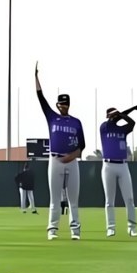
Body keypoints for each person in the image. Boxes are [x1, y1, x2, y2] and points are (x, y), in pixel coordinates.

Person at [35, 63, 86, 240]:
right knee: (54, 198)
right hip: (55, 160)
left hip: (71, 161)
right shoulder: (52, 117)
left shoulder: (76, 122)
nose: (63, 106)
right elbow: (41, 98)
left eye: (65, 104)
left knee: (73, 199)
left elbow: (82, 145)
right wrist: (36, 78)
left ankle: (75, 231)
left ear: (69, 105)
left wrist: (72, 155)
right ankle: (52, 230)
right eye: (61, 103)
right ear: (57, 104)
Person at [100, 105, 137, 237]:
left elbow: (132, 123)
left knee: (129, 198)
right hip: (108, 165)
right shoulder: (104, 127)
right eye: (113, 115)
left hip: (123, 166)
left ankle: (132, 227)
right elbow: (111, 120)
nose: (114, 117)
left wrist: (123, 113)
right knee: (109, 200)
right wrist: (118, 114)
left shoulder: (123, 129)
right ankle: (110, 227)